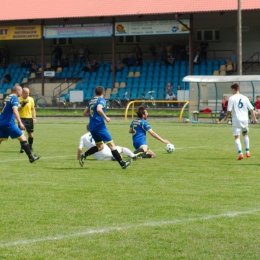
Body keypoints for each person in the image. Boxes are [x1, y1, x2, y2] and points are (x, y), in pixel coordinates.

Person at [79, 86, 132, 169]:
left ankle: (84, 155)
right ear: (103, 92)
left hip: (92, 126)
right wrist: (106, 117)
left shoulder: (91, 101)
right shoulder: (101, 100)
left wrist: (93, 115)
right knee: (112, 145)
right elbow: (99, 109)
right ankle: (123, 164)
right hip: (99, 126)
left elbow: (85, 113)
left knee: (100, 146)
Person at [0, 85, 40, 163]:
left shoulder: (7, 97)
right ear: (18, 91)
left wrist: (22, 104)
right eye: (21, 92)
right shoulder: (15, 98)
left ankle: (31, 157)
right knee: (22, 138)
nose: (21, 93)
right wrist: (20, 122)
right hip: (9, 123)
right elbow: (15, 110)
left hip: (1, 121)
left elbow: (15, 108)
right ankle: (31, 158)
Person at [224, 83, 257, 160]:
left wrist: (226, 117)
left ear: (233, 89)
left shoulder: (232, 98)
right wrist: (254, 118)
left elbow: (229, 110)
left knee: (237, 137)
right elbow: (252, 109)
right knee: (245, 134)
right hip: (245, 119)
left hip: (236, 120)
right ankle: (247, 151)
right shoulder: (245, 98)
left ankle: (240, 153)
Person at [77, 124, 142, 161]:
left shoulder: (82, 137)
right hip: (107, 151)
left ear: (87, 129)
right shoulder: (97, 133)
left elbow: (80, 149)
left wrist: (78, 158)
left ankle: (114, 158)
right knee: (121, 149)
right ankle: (133, 156)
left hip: (99, 158)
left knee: (111, 157)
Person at [18, 87, 36, 153]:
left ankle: (30, 146)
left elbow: (33, 109)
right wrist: (23, 103)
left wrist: (34, 118)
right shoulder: (18, 99)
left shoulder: (31, 99)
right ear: (22, 93)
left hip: (29, 119)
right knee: (22, 134)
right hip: (21, 119)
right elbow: (18, 109)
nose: (27, 94)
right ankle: (22, 147)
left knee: (30, 134)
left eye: (28, 93)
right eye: (26, 93)